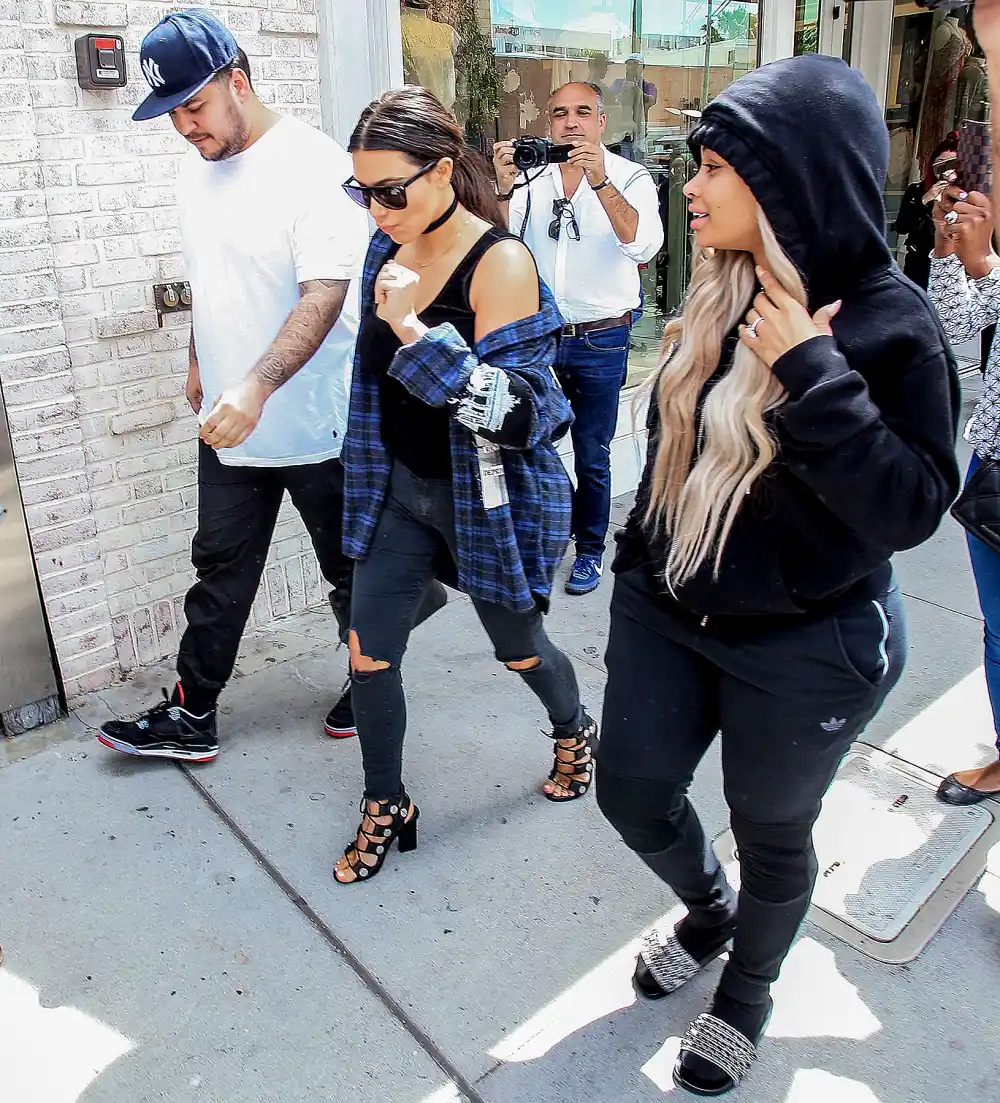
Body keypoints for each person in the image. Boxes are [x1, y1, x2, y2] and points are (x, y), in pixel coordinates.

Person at [595, 55, 959, 1096]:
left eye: (714, 167)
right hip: (671, 609)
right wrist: (633, 575)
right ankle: (706, 911)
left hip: (811, 642)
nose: (691, 186)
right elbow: (671, 461)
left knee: (772, 830)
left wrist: (812, 372)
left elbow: (909, 509)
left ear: (792, 181)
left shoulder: (891, 323)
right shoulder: (719, 289)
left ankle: (745, 990)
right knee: (631, 793)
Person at [97, 11, 444, 762]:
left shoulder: (315, 169)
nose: (185, 127)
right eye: (171, 113)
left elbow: (323, 294)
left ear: (239, 83)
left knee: (347, 571)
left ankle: (373, 668)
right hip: (232, 417)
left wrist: (255, 384)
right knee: (219, 563)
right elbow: (209, 281)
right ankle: (193, 713)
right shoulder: (197, 170)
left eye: (194, 106)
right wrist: (200, 360)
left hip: (319, 423)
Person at [333, 87, 598, 884]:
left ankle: (573, 727)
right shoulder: (388, 246)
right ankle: (387, 802)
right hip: (401, 492)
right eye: (362, 191)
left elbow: (522, 416)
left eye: (389, 189)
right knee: (367, 655)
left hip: (484, 502)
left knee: (518, 650)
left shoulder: (501, 262)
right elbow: (371, 385)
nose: (376, 208)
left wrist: (415, 331)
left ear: (443, 171)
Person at [494, 81, 663, 596]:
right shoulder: (532, 176)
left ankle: (589, 549)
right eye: (560, 112)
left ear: (601, 122)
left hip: (601, 340)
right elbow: (502, 246)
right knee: (532, 444)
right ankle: (547, 533)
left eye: (583, 112)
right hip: (541, 338)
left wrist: (600, 183)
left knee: (592, 453)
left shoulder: (629, 176)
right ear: (548, 122)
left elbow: (643, 245)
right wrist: (503, 187)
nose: (571, 122)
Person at [928, 182, 1000, 802]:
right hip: (992, 462)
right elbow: (954, 325)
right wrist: (950, 251)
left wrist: (987, 269)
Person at [892, 132, 958, 289]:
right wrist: (924, 199)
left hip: (952, 265)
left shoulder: (966, 193)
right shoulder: (917, 190)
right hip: (918, 263)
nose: (947, 171)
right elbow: (901, 226)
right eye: (941, 164)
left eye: (952, 165)